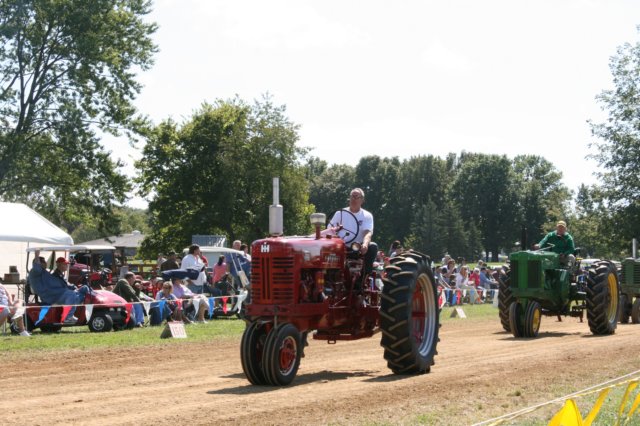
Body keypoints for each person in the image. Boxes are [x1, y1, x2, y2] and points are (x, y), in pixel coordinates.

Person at [327, 187, 378, 276]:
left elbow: (368, 233)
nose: (353, 199)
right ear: (349, 199)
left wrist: (365, 244)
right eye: (352, 197)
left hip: (357, 247)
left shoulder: (367, 215)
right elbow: (329, 230)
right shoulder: (340, 213)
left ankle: (363, 277)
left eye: (356, 197)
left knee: (373, 247)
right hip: (340, 246)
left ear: (362, 200)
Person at [29, 251, 90, 323]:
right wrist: (36, 255)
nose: (46, 263)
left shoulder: (44, 272)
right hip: (50, 296)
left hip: (57, 293)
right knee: (71, 294)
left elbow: (58, 284)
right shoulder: (35, 272)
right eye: (44, 262)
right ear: (38, 263)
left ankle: (88, 312)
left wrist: (74, 288)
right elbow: (37, 267)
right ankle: (68, 317)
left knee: (84, 290)